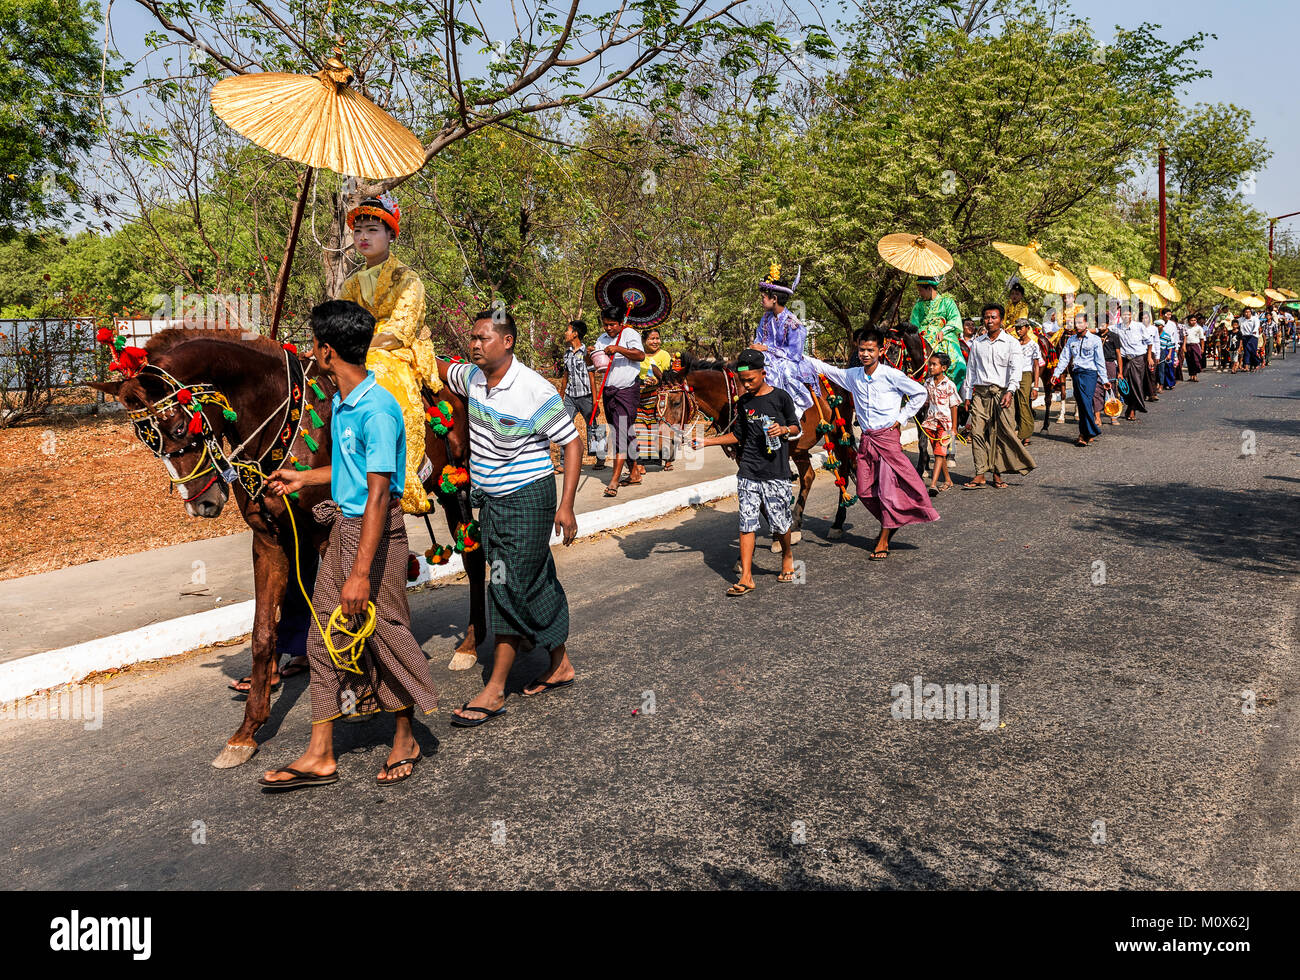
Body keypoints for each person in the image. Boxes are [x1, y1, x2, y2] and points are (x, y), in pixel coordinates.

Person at [260, 300, 440, 790]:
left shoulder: (378, 410)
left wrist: (360, 573)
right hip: (344, 528)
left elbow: (380, 493)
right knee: (323, 639)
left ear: (327, 351)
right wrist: (303, 477)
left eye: (315, 343)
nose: (312, 350)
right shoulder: (343, 401)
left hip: (375, 538)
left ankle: (407, 737)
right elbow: (352, 473)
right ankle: (320, 753)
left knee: (384, 635)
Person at [438, 309, 581, 727]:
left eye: (484, 338)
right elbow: (440, 368)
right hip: (494, 504)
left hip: (530, 501)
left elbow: (571, 445)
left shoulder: (534, 390)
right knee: (535, 579)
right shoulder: (473, 378)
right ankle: (560, 663)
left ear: (508, 341)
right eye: (473, 338)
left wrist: (567, 504)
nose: (475, 344)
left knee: (503, 583)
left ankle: (495, 688)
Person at [339, 193, 445, 515]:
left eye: (372, 230)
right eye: (358, 231)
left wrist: (357, 345)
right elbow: (343, 322)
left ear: (390, 234)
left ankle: (407, 474)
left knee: (384, 375)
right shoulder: (351, 283)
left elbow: (399, 332)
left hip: (398, 350)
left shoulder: (409, 280)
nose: (363, 237)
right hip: (358, 350)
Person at [806, 328, 938, 559]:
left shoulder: (891, 375)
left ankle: (884, 539)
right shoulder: (853, 375)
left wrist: (901, 418)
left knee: (887, 492)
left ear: (880, 350)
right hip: (867, 440)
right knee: (865, 491)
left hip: (887, 438)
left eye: (870, 350)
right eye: (862, 349)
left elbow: (919, 393)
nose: (865, 354)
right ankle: (892, 520)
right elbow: (824, 368)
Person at [693, 349, 800, 595]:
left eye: (751, 380)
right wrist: (708, 442)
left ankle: (787, 554)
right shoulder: (744, 403)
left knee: (780, 523)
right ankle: (747, 577)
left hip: (776, 471)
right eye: (743, 381)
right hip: (749, 470)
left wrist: (783, 430)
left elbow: (796, 426)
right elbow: (739, 435)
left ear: (764, 373)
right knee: (746, 523)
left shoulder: (781, 398)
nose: (747, 385)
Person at [960, 304, 1035, 489]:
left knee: (1000, 435)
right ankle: (979, 474)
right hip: (981, 393)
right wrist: (968, 395)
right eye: (986, 317)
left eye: (993, 317)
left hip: (1003, 394)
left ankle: (997, 474)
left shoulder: (1011, 343)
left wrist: (1010, 391)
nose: (989, 321)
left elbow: (1016, 370)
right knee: (977, 433)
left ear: (1001, 320)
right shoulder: (978, 343)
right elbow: (971, 370)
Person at [588, 305, 646, 496]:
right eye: (605, 325)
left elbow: (640, 355)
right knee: (620, 430)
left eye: (612, 324)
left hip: (627, 390)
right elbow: (596, 361)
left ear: (621, 323)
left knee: (620, 433)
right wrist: (593, 353)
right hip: (609, 390)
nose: (609, 328)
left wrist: (619, 349)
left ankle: (614, 481)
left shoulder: (630, 334)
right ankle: (635, 470)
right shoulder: (602, 339)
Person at [751, 263, 816, 416]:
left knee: (782, 372)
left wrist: (768, 349)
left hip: (789, 362)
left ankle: (788, 413)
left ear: (774, 299)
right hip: (766, 357)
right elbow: (759, 339)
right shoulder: (766, 318)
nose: (761, 301)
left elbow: (794, 354)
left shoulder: (793, 324)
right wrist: (755, 347)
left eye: (763, 298)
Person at [1052, 311, 1110, 446]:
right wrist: (1056, 374)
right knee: (1082, 402)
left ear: (1086, 324)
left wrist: (1105, 379)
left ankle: (1084, 434)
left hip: (1090, 374)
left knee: (1085, 401)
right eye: (1075, 323)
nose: (1077, 326)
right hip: (1076, 374)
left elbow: (1100, 361)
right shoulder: (1071, 340)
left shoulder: (1095, 340)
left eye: (1080, 323)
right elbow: (1064, 358)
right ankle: (1087, 432)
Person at [557, 319, 604, 474]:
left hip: (586, 396)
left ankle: (600, 457)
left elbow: (592, 378)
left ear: (575, 334)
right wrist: (561, 395)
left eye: (568, 330)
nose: (565, 332)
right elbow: (566, 375)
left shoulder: (587, 353)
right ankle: (563, 462)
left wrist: (596, 401)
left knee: (593, 427)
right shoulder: (567, 353)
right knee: (565, 425)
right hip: (570, 396)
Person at [910, 275, 966, 388]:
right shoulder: (918, 305)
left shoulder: (947, 302)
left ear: (929, 288)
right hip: (922, 336)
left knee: (959, 364)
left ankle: (952, 392)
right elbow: (913, 325)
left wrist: (943, 331)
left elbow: (954, 320)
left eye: (921, 290)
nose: (920, 294)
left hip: (943, 336)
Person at [634, 326, 674, 471]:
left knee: (661, 430)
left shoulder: (664, 355)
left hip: (658, 399)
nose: (655, 341)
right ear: (644, 340)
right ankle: (641, 464)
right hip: (640, 398)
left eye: (657, 338)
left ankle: (668, 459)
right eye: (652, 339)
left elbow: (669, 378)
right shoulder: (637, 355)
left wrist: (657, 380)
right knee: (641, 430)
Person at [922, 352, 959, 494]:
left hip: (945, 424)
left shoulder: (950, 385)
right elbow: (925, 402)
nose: (930, 367)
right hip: (931, 423)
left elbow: (954, 406)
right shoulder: (928, 383)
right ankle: (948, 480)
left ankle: (933, 485)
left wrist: (954, 427)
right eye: (930, 364)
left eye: (934, 364)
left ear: (943, 368)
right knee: (939, 453)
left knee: (939, 453)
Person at [1013, 317, 1042, 446]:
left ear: (1027, 328)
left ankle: (1025, 434)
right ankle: (1020, 430)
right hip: (1014, 375)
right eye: (1017, 328)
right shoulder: (1014, 344)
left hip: (1025, 374)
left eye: (1021, 328)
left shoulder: (1033, 345)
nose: (1019, 330)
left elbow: (1036, 366)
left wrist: (1035, 387)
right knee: (1015, 404)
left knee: (1024, 402)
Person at [1115, 309, 1149, 420]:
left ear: (1131, 315)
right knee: (1123, 386)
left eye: (1128, 314)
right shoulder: (1116, 327)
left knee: (1136, 385)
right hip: (1124, 361)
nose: (1125, 316)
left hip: (1138, 359)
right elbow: (1101, 329)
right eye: (1123, 314)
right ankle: (1130, 405)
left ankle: (1132, 409)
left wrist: (1149, 357)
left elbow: (1149, 342)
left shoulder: (1139, 327)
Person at [1098, 320, 1122, 425]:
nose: (1101, 325)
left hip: (1110, 364)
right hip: (1097, 365)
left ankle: (1113, 416)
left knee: (1111, 388)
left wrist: (1120, 372)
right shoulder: (1094, 336)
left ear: (1107, 324)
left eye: (1103, 323)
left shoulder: (1114, 336)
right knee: (1096, 390)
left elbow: (1118, 354)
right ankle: (1097, 417)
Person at [1140, 311, 1160, 401]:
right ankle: (1143, 394)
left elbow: (1156, 342)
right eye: (1143, 318)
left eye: (1147, 317)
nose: (1145, 319)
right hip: (1140, 353)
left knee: (1151, 373)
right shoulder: (1138, 328)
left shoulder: (1154, 328)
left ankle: (1153, 393)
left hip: (1151, 353)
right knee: (1142, 374)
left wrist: (1157, 355)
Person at [1184, 313, 1205, 381]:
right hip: (1188, 345)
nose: (1193, 322)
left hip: (1195, 345)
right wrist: (1183, 346)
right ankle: (1191, 376)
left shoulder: (1199, 328)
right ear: (1188, 321)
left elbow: (1202, 339)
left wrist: (1202, 348)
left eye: (1195, 320)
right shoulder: (1185, 327)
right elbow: (1184, 337)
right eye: (1192, 320)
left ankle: (1195, 375)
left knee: (1196, 360)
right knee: (1189, 361)